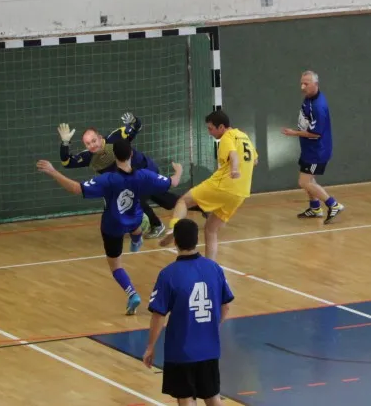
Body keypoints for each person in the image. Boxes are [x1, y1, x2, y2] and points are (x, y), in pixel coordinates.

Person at [38, 138, 183, 314]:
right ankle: (136, 240)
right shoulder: (144, 175)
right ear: (131, 154)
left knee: (116, 266)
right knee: (139, 222)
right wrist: (178, 171)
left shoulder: (107, 179)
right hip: (134, 218)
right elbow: (173, 182)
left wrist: (53, 172)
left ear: (114, 156)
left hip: (112, 226)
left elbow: (76, 188)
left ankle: (132, 294)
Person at [58, 112, 201, 239]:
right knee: (167, 200)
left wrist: (134, 120)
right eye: (88, 144)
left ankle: (156, 225)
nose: (92, 145)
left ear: (100, 137)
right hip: (129, 180)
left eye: (94, 141)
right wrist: (65, 142)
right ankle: (204, 208)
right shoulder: (88, 157)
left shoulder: (115, 138)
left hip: (144, 170)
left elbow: (136, 127)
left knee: (137, 198)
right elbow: (66, 162)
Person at [143, 218, 234, 406]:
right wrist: (210, 327)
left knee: (185, 398)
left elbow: (158, 315)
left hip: (181, 350)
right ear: (197, 240)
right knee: (212, 396)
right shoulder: (214, 268)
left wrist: (150, 346)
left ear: (175, 241)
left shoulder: (168, 274)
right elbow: (226, 306)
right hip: (209, 349)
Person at [159, 110, 257, 261]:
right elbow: (255, 160)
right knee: (211, 229)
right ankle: (210, 266)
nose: (209, 132)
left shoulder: (227, 137)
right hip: (241, 193)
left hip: (223, 185)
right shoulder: (244, 136)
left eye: (211, 128)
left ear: (221, 127)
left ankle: (173, 227)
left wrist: (234, 169)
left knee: (183, 201)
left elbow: (233, 155)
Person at [281, 70, 344, 224]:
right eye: (301, 83)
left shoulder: (318, 107)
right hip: (308, 149)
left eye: (306, 84)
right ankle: (315, 208)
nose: (302, 87)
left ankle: (333, 205)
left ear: (316, 84)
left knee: (305, 182)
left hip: (317, 151)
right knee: (309, 179)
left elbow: (315, 134)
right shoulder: (309, 98)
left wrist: (294, 133)